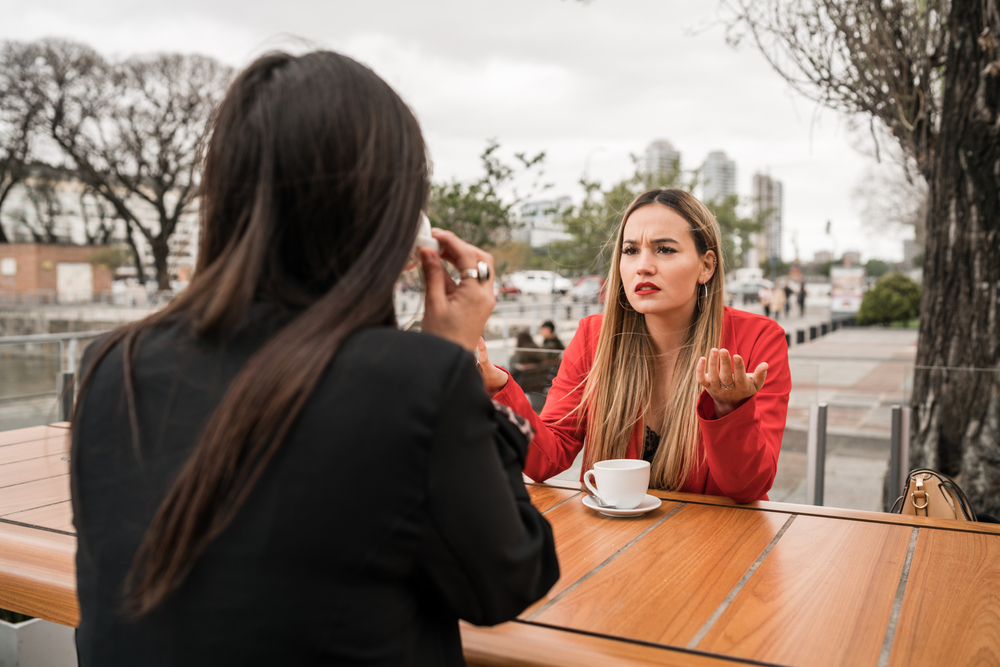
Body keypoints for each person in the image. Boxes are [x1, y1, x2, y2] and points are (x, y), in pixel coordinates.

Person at [70, 51, 558, 667]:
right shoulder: (410, 382)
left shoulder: (113, 364)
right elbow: (508, 579)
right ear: (393, 220)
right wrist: (455, 363)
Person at [477, 189, 790, 503]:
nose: (643, 266)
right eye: (630, 250)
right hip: (614, 541)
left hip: (720, 543)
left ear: (706, 266)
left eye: (664, 249)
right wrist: (496, 383)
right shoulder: (592, 337)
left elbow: (747, 487)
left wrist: (729, 409)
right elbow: (547, 459)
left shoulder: (758, 339)